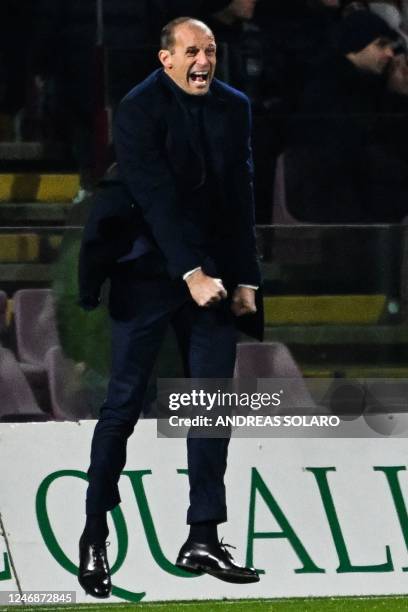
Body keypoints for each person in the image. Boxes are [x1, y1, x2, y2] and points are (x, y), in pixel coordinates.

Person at [77, 16, 263, 598]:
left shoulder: (234, 106)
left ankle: (203, 535)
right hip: (145, 269)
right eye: (191, 51)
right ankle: (94, 532)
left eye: (209, 51)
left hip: (210, 272)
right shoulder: (138, 108)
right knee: (123, 405)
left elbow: (241, 193)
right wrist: (191, 272)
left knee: (211, 403)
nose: (202, 60)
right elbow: (153, 197)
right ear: (166, 59)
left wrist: (247, 279)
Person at [285, 10, 401, 222]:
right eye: (380, 45)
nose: (389, 54)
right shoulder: (330, 90)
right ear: (355, 44)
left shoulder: (365, 86)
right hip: (341, 212)